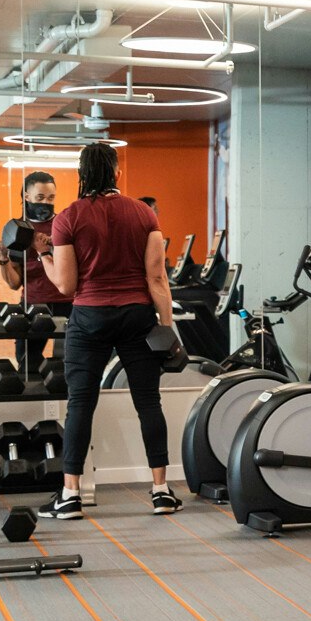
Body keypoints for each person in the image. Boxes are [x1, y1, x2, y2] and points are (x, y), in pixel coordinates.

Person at [33, 142, 184, 520]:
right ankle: (161, 491)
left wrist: (43, 255)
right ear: (116, 173)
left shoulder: (68, 218)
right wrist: (166, 329)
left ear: (81, 175)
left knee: (80, 404)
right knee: (148, 403)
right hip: (137, 317)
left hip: (89, 318)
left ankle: (70, 495)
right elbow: (157, 278)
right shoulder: (143, 213)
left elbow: (65, 286)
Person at [0, 170, 69, 377]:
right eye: (40, 197)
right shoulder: (17, 230)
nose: (46, 203)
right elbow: (15, 283)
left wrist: (53, 246)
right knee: (28, 366)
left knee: (69, 365)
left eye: (51, 198)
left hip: (67, 302)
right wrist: (3, 259)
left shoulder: (63, 225)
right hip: (34, 304)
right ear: (27, 196)